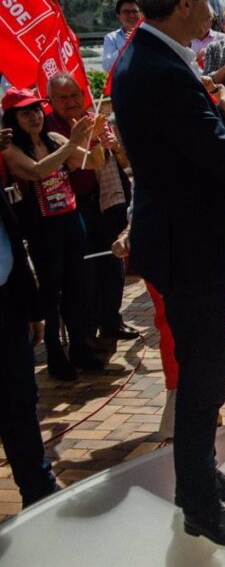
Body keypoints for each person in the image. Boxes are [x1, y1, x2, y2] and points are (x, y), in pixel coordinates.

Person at [113, 0, 225, 547]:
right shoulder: (157, 70)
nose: (214, 7)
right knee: (204, 377)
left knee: (210, 372)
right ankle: (199, 504)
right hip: (188, 251)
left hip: (187, 244)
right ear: (184, 3)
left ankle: (201, 478)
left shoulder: (153, 58)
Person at [2, 88, 104, 381]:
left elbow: (92, 162)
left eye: (36, 110)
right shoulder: (10, 150)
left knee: (78, 287)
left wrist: (94, 137)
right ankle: (55, 353)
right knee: (50, 291)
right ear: (12, 119)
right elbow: (36, 171)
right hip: (42, 228)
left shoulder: (55, 139)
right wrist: (71, 143)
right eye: (25, 112)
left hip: (71, 220)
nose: (34, 117)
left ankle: (80, 347)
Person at [45, 75, 136, 345]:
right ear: (50, 101)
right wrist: (88, 140)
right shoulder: (48, 128)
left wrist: (115, 147)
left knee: (112, 262)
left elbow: (123, 161)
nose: (71, 101)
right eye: (63, 97)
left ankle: (111, 320)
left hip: (107, 198)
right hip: (74, 205)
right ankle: (85, 333)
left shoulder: (98, 120)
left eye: (75, 94)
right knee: (84, 272)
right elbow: (75, 163)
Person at [0, 138, 60, 508]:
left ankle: (38, 490)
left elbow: (12, 243)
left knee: (19, 401)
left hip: (7, 305)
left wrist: (31, 307)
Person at [102, 0, 142, 72]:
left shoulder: (150, 35)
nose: (131, 15)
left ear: (140, 14)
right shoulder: (111, 38)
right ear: (118, 16)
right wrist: (126, 45)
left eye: (134, 11)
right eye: (126, 12)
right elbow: (107, 66)